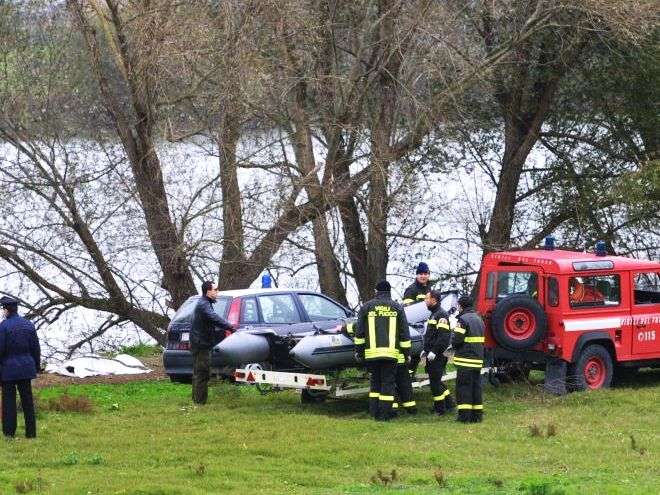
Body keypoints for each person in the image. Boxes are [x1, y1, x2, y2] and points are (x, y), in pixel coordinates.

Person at [354, 280, 411, 421]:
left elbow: (359, 332)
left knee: (375, 383)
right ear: (389, 291)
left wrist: (359, 352)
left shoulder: (366, 307)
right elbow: (404, 333)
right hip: (391, 354)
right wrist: (406, 353)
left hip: (372, 354)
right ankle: (385, 415)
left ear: (376, 291)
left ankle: (373, 412)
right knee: (388, 383)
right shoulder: (397, 308)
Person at [0, 296, 41, 438]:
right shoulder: (29, 324)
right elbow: (36, 348)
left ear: (6, 310)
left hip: (8, 369)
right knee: (28, 402)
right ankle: (31, 433)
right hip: (26, 368)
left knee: (9, 402)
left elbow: (1, 350)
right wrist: (36, 367)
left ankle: (9, 433)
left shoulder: (3, 327)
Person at [190, 281, 235, 404]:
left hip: (200, 343)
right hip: (201, 344)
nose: (217, 291)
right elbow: (213, 317)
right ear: (208, 291)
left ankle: (197, 400)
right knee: (202, 373)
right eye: (215, 289)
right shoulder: (204, 304)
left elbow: (211, 321)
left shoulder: (205, 303)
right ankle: (199, 403)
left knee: (199, 372)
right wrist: (230, 327)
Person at [421, 290, 455, 415]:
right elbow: (432, 335)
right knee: (437, 381)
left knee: (435, 384)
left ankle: (440, 409)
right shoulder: (434, 314)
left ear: (433, 299)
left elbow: (443, 337)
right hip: (432, 354)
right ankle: (450, 404)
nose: (425, 301)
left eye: (427, 298)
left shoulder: (441, 314)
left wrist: (434, 351)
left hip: (437, 356)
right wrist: (425, 350)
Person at [452, 295, 485, 423]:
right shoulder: (479, 319)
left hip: (465, 359)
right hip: (477, 359)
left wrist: (453, 344)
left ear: (461, 306)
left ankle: (464, 417)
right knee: (476, 388)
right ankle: (477, 416)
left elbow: (457, 340)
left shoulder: (462, 320)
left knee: (463, 388)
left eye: (458, 305)